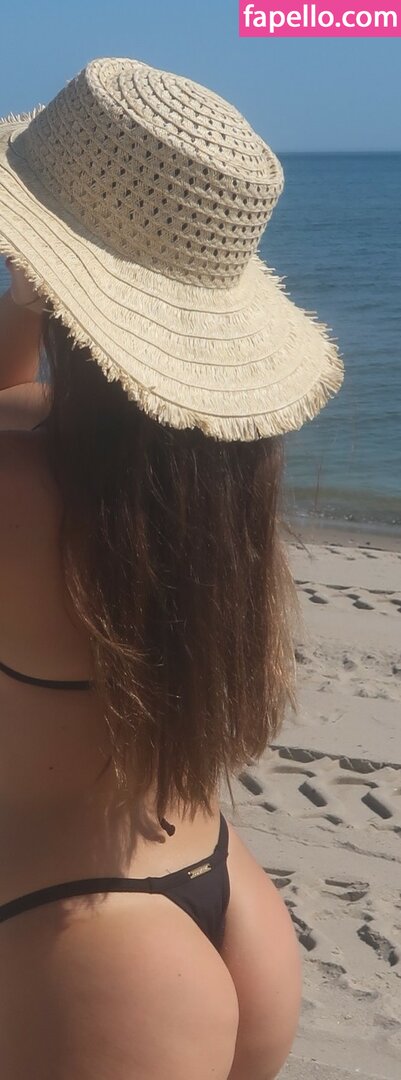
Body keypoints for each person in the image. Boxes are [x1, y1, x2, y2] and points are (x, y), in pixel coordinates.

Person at [0, 58, 344, 1079]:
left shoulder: (18, 482)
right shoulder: (207, 490)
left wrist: (32, 292)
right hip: (222, 891)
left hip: (81, 944)